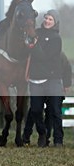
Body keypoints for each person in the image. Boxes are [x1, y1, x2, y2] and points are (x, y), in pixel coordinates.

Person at [25, 9, 64, 147]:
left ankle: (58, 140)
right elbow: (27, 47)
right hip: (36, 79)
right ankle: (43, 132)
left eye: (50, 19)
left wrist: (34, 46)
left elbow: (44, 57)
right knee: (35, 110)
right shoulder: (36, 33)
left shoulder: (56, 39)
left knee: (55, 110)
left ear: (55, 22)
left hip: (52, 78)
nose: (47, 21)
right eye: (46, 18)